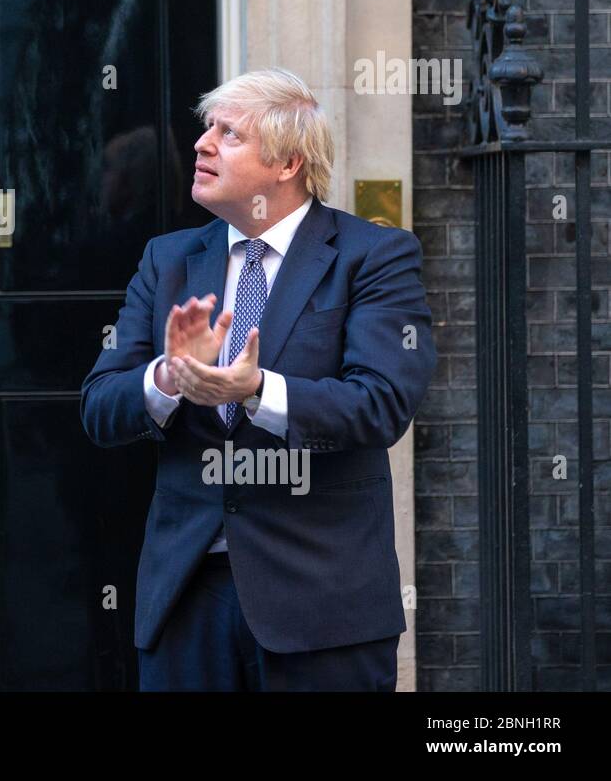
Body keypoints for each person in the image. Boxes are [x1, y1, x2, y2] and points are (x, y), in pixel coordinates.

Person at [80, 67, 436, 692]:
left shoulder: (373, 256)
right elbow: (100, 406)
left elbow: (381, 404)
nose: (201, 144)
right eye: (207, 128)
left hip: (321, 604)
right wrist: (168, 377)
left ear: (288, 163)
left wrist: (255, 389)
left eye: (229, 134)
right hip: (186, 598)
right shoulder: (167, 259)